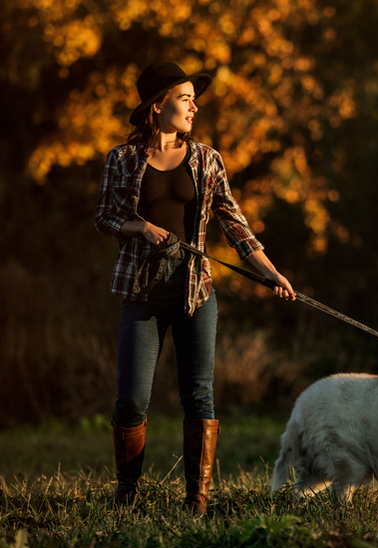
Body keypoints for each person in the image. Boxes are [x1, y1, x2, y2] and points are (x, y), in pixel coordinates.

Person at [95, 62, 295, 514]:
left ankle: (197, 502)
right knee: (131, 398)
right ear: (158, 104)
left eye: (192, 98)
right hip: (141, 294)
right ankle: (126, 497)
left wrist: (271, 273)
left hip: (195, 294)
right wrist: (140, 226)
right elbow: (104, 217)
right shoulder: (122, 159)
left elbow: (234, 224)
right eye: (185, 98)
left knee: (199, 395)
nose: (194, 106)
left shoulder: (206, 158)